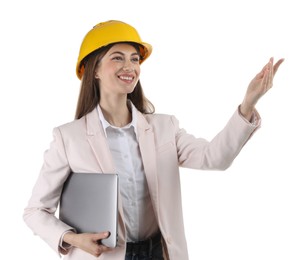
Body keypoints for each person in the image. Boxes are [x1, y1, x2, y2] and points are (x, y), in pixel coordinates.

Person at [23, 20, 284, 260]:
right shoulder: (69, 138)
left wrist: (248, 104)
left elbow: (215, 158)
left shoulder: (164, 128)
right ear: (94, 70)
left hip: (160, 253)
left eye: (135, 59)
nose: (130, 67)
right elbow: (36, 211)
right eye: (118, 58)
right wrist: (72, 238)